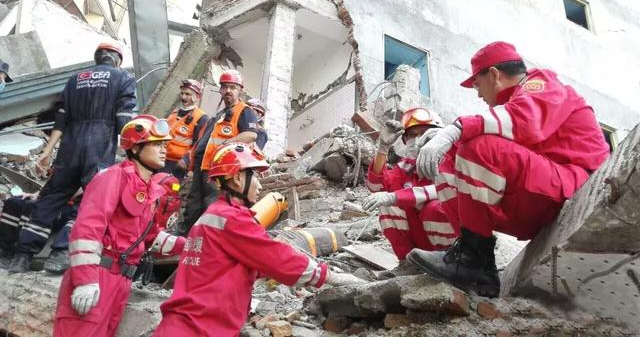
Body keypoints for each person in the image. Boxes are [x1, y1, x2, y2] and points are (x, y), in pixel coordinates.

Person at [408, 41, 610, 297]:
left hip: (574, 184)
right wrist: (448, 139)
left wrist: (455, 128)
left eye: (477, 85)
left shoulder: (542, 83)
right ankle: (478, 264)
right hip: (538, 194)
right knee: (452, 154)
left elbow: (522, 121)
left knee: (476, 145)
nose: (478, 94)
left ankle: (472, 259)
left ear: (494, 74)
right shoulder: (517, 101)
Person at [153, 143, 363, 336]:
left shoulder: (211, 216)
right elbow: (275, 258)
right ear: (236, 178)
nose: (260, 186)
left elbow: (243, 264)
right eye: (254, 176)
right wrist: (327, 276)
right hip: (199, 328)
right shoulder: (232, 219)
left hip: (182, 325)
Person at [7, 42, 138, 273]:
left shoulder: (75, 80)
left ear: (98, 57)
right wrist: (131, 155)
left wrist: (47, 152)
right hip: (98, 147)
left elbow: (61, 119)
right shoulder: (122, 78)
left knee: (50, 198)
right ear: (117, 59)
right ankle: (60, 253)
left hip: (70, 146)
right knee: (90, 200)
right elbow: (124, 118)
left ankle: (22, 256)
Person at [52, 115, 186, 337]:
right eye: (156, 144)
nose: (164, 149)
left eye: (164, 144)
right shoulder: (113, 178)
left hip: (121, 282)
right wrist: (85, 280)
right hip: (99, 274)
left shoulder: (148, 188)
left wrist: (190, 246)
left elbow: (150, 236)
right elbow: (86, 229)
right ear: (135, 147)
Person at [362, 108, 458, 273]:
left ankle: (453, 264)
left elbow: (444, 190)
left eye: (423, 133)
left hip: (458, 240)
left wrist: (398, 196)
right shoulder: (407, 167)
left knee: (433, 208)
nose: (417, 139)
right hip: (421, 239)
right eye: (412, 135)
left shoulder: (452, 159)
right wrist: (382, 148)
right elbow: (375, 187)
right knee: (387, 205)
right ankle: (409, 264)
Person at [179, 70, 259, 235]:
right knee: (193, 204)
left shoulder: (245, 111)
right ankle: (187, 239)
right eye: (224, 87)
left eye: (232, 87)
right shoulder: (218, 116)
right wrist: (190, 162)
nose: (228, 91)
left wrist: (226, 146)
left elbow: (251, 134)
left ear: (240, 90)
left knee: (212, 204)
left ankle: (210, 239)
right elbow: (203, 143)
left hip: (220, 169)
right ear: (220, 90)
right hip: (203, 167)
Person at [0, 191, 78, 274]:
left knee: (32, 205)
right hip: (56, 196)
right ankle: (6, 250)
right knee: (14, 201)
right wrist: (39, 194)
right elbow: (57, 185)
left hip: (71, 204)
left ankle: (22, 256)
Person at [160, 79, 209, 180]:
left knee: (172, 191)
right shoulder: (174, 113)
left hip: (179, 164)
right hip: (163, 159)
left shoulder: (201, 118)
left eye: (188, 94)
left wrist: (187, 161)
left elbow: (199, 145)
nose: (183, 97)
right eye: (182, 93)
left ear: (197, 96)